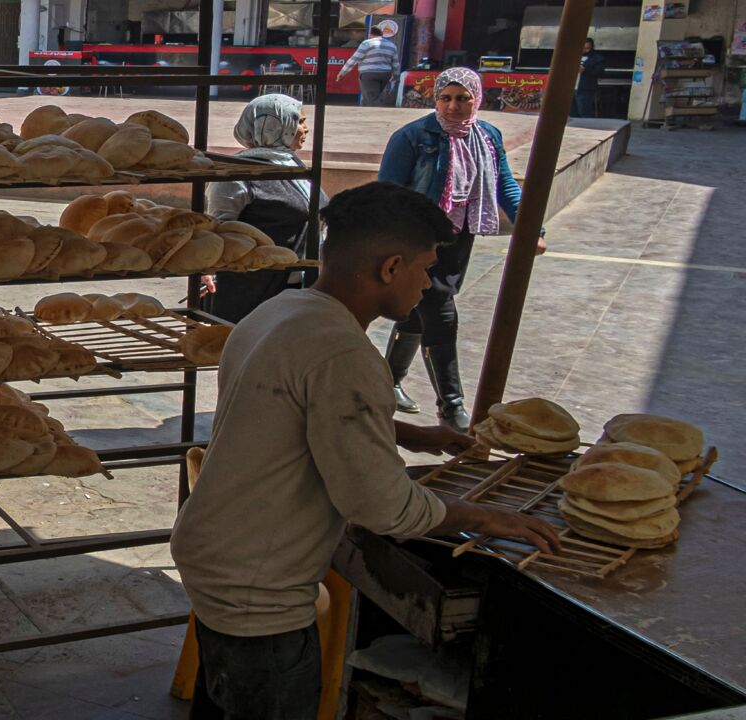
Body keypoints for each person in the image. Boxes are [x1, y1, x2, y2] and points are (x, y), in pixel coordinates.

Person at [170, 182, 560, 720]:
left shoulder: (281, 310)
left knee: (226, 699)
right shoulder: (344, 353)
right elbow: (382, 508)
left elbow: (288, 410)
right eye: (424, 268)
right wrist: (488, 518)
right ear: (390, 267)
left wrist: (408, 434)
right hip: (259, 585)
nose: (429, 283)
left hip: (213, 547)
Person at [378, 66, 544, 432]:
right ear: (435, 99)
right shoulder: (412, 137)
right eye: (445, 98)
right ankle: (451, 406)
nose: (453, 106)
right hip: (419, 240)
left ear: (476, 99)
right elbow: (387, 194)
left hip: (459, 235)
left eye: (462, 98)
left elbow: (505, 185)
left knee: (416, 313)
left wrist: (531, 228)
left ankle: (386, 384)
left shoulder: (487, 136)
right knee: (441, 312)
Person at [200, 94, 328, 323]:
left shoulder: (292, 165)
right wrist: (206, 270)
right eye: (299, 121)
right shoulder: (238, 174)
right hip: (252, 292)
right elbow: (216, 228)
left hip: (298, 286)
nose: (306, 129)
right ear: (273, 125)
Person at [336, 26, 400, 107]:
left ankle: (375, 116)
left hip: (369, 74)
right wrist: (396, 77)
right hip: (386, 75)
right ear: (381, 34)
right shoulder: (391, 45)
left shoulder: (367, 43)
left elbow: (354, 59)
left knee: (371, 99)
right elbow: (396, 64)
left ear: (371, 34)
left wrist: (342, 73)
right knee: (376, 98)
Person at [572, 38, 605, 118]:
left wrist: (585, 70)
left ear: (592, 47)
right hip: (571, 89)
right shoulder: (573, 56)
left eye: (587, 48)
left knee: (584, 112)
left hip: (585, 89)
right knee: (572, 113)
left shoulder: (597, 58)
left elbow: (599, 72)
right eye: (583, 48)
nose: (585, 50)